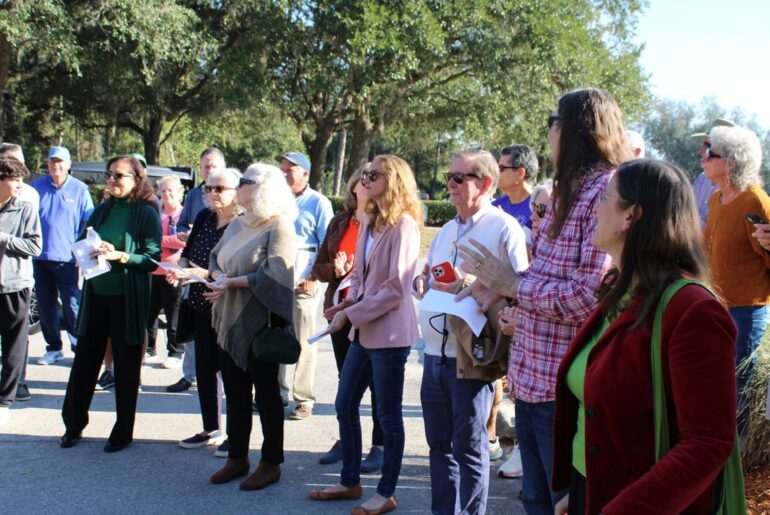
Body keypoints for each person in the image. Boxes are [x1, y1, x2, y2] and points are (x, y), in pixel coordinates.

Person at [457, 88, 631, 514]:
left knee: (562, 502)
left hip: (565, 385)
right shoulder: (568, 189)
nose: (549, 130)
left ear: (574, 129)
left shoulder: (606, 191)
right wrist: (498, 290)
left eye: (554, 120)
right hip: (534, 376)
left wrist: (514, 287)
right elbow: (545, 274)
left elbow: (588, 294)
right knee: (536, 499)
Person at [552, 159, 738, 514]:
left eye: (605, 198)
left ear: (630, 216)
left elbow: (707, 444)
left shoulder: (692, 309)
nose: (594, 207)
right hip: (593, 490)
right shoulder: (617, 289)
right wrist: (580, 493)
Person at [413, 150, 528, 514]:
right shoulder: (448, 228)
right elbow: (433, 272)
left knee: (469, 448)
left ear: (487, 183)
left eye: (460, 177)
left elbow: (521, 287)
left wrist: (477, 284)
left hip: (472, 354)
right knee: (438, 448)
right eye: (450, 175)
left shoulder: (503, 226)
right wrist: (423, 278)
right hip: (434, 354)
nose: (451, 183)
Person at [309, 154, 421, 515]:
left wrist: (348, 315)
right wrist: (345, 304)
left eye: (374, 174)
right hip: (362, 329)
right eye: (365, 173)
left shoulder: (404, 226)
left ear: (395, 181)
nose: (366, 178)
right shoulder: (367, 222)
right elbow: (360, 278)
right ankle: (350, 481)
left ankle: (386, 491)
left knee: (388, 417)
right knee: (344, 404)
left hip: (389, 336)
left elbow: (395, 289)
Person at [60, 155, 161, 452]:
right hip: (96, 295)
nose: (113, 180)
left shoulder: (146, 213)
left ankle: (122, 431)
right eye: (110, 175)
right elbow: (83, 240)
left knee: (127, 366)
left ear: (136, 179)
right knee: (84, 363)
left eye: (119, 175)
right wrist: (91, 249)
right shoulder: (102, 210)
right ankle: (73, 425)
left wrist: (122, 256)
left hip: (127, 299)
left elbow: (152, 258)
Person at [205, 163, 297, 490]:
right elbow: (215, 258)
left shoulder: (280, 226)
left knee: (268, 396)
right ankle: (238, 456)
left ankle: (271, 462)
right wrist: (219, 277)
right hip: (228, 319)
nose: (237, 186)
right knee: (235, 392)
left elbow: (278, 277)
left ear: (261, 188)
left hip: (261, 324)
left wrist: (232, 282)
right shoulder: (239, 223)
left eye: (243, 181)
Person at [312, 164, 385, 472]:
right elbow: (319, 268)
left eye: (372, 180)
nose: (366, 186)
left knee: (378, 386)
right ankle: (347, 440)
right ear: (353, 188)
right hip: (340, 312)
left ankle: (379, 446)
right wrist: (337, 271)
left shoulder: (385, 224)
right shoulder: (340, 222)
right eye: (361, 181)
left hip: (374, 313)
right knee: (348, 382)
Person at [702, 124, 770, 438]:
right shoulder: (716, 200)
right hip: (717, 308)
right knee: (719, 384)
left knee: (739, 388)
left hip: (748, 311)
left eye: (709, 152)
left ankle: (738, 457)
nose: (703, 156)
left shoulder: (755, 201)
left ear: (730, 162)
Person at [170, 168, 241, 457]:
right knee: (204, 368)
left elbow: (240, 269)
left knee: (232, 374)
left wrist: (204, 273)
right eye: (208, 188)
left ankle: (235, 434)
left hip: (229, 308)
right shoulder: (203, 217)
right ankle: (211, 427)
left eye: (219, 189)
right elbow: (186, 252)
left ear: (237, 191)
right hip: (199, 304)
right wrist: (179, 269)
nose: (212, 194)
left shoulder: (241, 225)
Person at [277, 151, 333, 420]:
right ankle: (276, 391)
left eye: (291, 169)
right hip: (277, 279)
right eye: (283, 168)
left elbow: (326, 243)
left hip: (304, 281)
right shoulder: (276, 199)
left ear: (306, 174)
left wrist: (314, 277)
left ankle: (304, 399)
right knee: (276, 334)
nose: (285, 172)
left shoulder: (318, 203)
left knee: (304, 340)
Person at [167, 147, 226, 393]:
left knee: (221, 353)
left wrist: (208, 274)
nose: (209, 172)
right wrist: (184, 238)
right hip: (193, 284)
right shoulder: (196, 200)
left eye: (213, 166)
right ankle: (189, 375)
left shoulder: (241, 218)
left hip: (223, 293)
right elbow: (181, 229)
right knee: (195, 339)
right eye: (205, 167)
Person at [32, 146, 94, 365]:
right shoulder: (36, 187)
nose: (56, 166)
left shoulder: (80, 190)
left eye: (60, 162)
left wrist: (82, 254)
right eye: (52, 162)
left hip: (68, 259)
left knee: (72, 304)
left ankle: (78, 346)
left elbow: (88, 223)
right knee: (46, 305)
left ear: (68, 164)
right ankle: (53, 347)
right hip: (40, 256)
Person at [0, 157, 42, 426]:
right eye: (14, 180)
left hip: (15, 285)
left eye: (20, 180)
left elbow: (35, 246)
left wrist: (4, 239)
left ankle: (5, 400)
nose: (19, 185)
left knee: (14, 345)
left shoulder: (25, 208)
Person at [146, 175, 186, 368]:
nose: (166, 194)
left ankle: (175, 352)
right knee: (149, 313)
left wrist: (158, 240)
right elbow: (146, 237)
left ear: (180, 193)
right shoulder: (154, 212)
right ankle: (150, 349)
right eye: (163, 190)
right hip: (152, 269)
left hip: (174, 271)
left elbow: (183, 240)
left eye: (171, 190)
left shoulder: (183, 215)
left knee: (173, 315)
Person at [691, 119, 736, 228]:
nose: (703, 151)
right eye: (705, 145)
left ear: (729, 154)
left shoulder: (740, 189)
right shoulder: (702, 178)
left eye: (709, 147)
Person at [493, 144, 538, 243]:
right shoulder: (494, 206)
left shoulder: (540, 209)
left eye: (501, 169)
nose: (495, 173)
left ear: (520, 173)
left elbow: (540, 252)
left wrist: (505, 223)